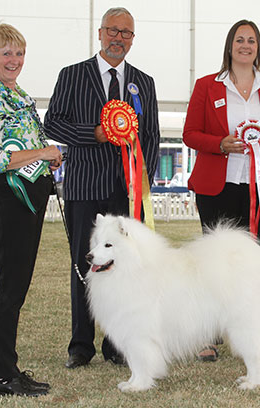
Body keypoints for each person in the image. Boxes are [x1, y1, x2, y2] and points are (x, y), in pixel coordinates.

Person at [44, 7, 160, 369]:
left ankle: (116, 343)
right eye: (112, 30)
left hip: (125, 192)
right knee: (84, 264)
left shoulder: (144, 82)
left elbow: (151, 136)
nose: (118, 38)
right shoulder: (72, 75)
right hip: (83, 187)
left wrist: (143, 181)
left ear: (132, 39)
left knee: (124, 269)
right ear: (99, 33)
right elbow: (54, 124)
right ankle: (81, 344)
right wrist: (93, 134)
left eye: (125, 33)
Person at [183, 20, 260, 361]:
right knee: (214, 261)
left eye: (252, 40)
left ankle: (255, 334)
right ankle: (209, 335)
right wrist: (220, 143)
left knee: (257, 259)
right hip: (216, 186)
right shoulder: (207, 86)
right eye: (239, 40)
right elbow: (190, 133)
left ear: (258, 47)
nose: (245, 45)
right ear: (229, 46)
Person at [0, 24, 62, 396]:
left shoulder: (17, 93)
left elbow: (28, 143)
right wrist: (43, 153)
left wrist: (47, 161)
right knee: (10, 286)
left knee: (18, 285)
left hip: (29, 193)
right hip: (10, 195)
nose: (14, 61)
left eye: (19, 53)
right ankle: (3, 377)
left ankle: (9, 368)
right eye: (6, 54)